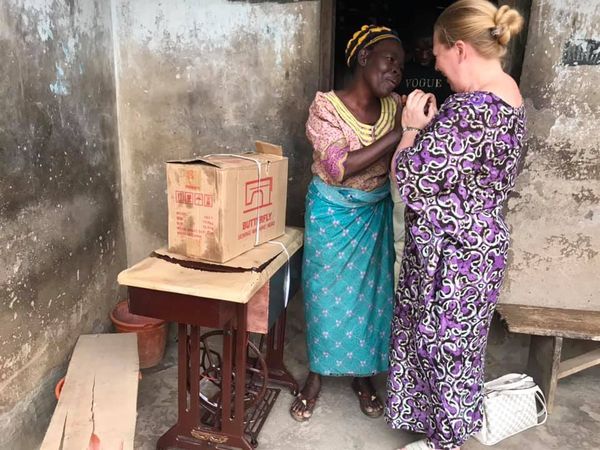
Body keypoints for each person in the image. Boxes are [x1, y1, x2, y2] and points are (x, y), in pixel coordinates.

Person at [385, 1, 526, 449]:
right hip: (476, 244)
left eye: (441, 59)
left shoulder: (472, 111)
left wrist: (410, 128)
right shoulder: (508, 94)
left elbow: (407, 177)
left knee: (445, 347)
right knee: (458, 346)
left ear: (460, 49)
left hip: (454, 254)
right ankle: (442, 429)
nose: (439, 70)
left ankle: (445, 441)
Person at [290, 25, 405, 422]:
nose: (396, 71)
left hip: (375, 212)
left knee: (372, 299)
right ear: (363, 58)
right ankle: (317, 375)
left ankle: (362, 376)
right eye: (390, 60)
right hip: (331, 213)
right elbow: (339, 167)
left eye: (400, 67)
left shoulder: (397, 107)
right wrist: (401, 134)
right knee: (324, 297)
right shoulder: (325, 107)